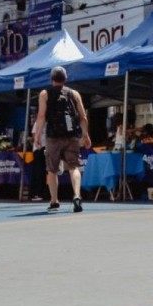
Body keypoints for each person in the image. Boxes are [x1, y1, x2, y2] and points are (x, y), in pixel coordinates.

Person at [31, 66, 91, 213]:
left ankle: (54, 201)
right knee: (74, 167)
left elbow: (41, 116)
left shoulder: (45, 94)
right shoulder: (74, 93)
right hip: (72, 136)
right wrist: (85, 135)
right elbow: (83, 117)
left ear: (52, 79)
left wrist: (37, 135)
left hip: (53, 136)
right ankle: (77, 195)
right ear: (65, 78)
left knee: (51, 170)